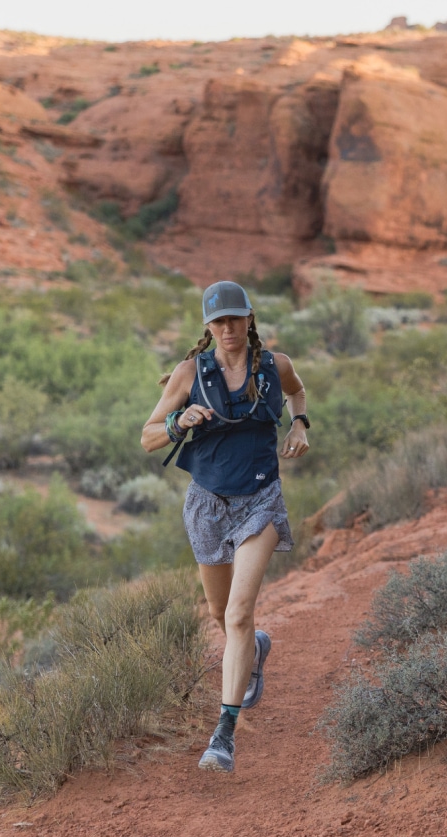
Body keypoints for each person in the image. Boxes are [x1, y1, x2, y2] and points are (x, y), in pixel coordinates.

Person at [141, 280, 310, 773]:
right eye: (218, 321)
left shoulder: (275, 366)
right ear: (207, 327)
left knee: (237, 614)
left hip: (260, 502)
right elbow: (148, 437)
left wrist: (301, 424)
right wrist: (179, 422)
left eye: (235, 318)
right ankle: (255, 649)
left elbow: (298, 392)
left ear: (250, 317)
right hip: (207, 505)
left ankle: (223, 736)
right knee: (220, 612)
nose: (228, 328)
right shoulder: (190, 372)